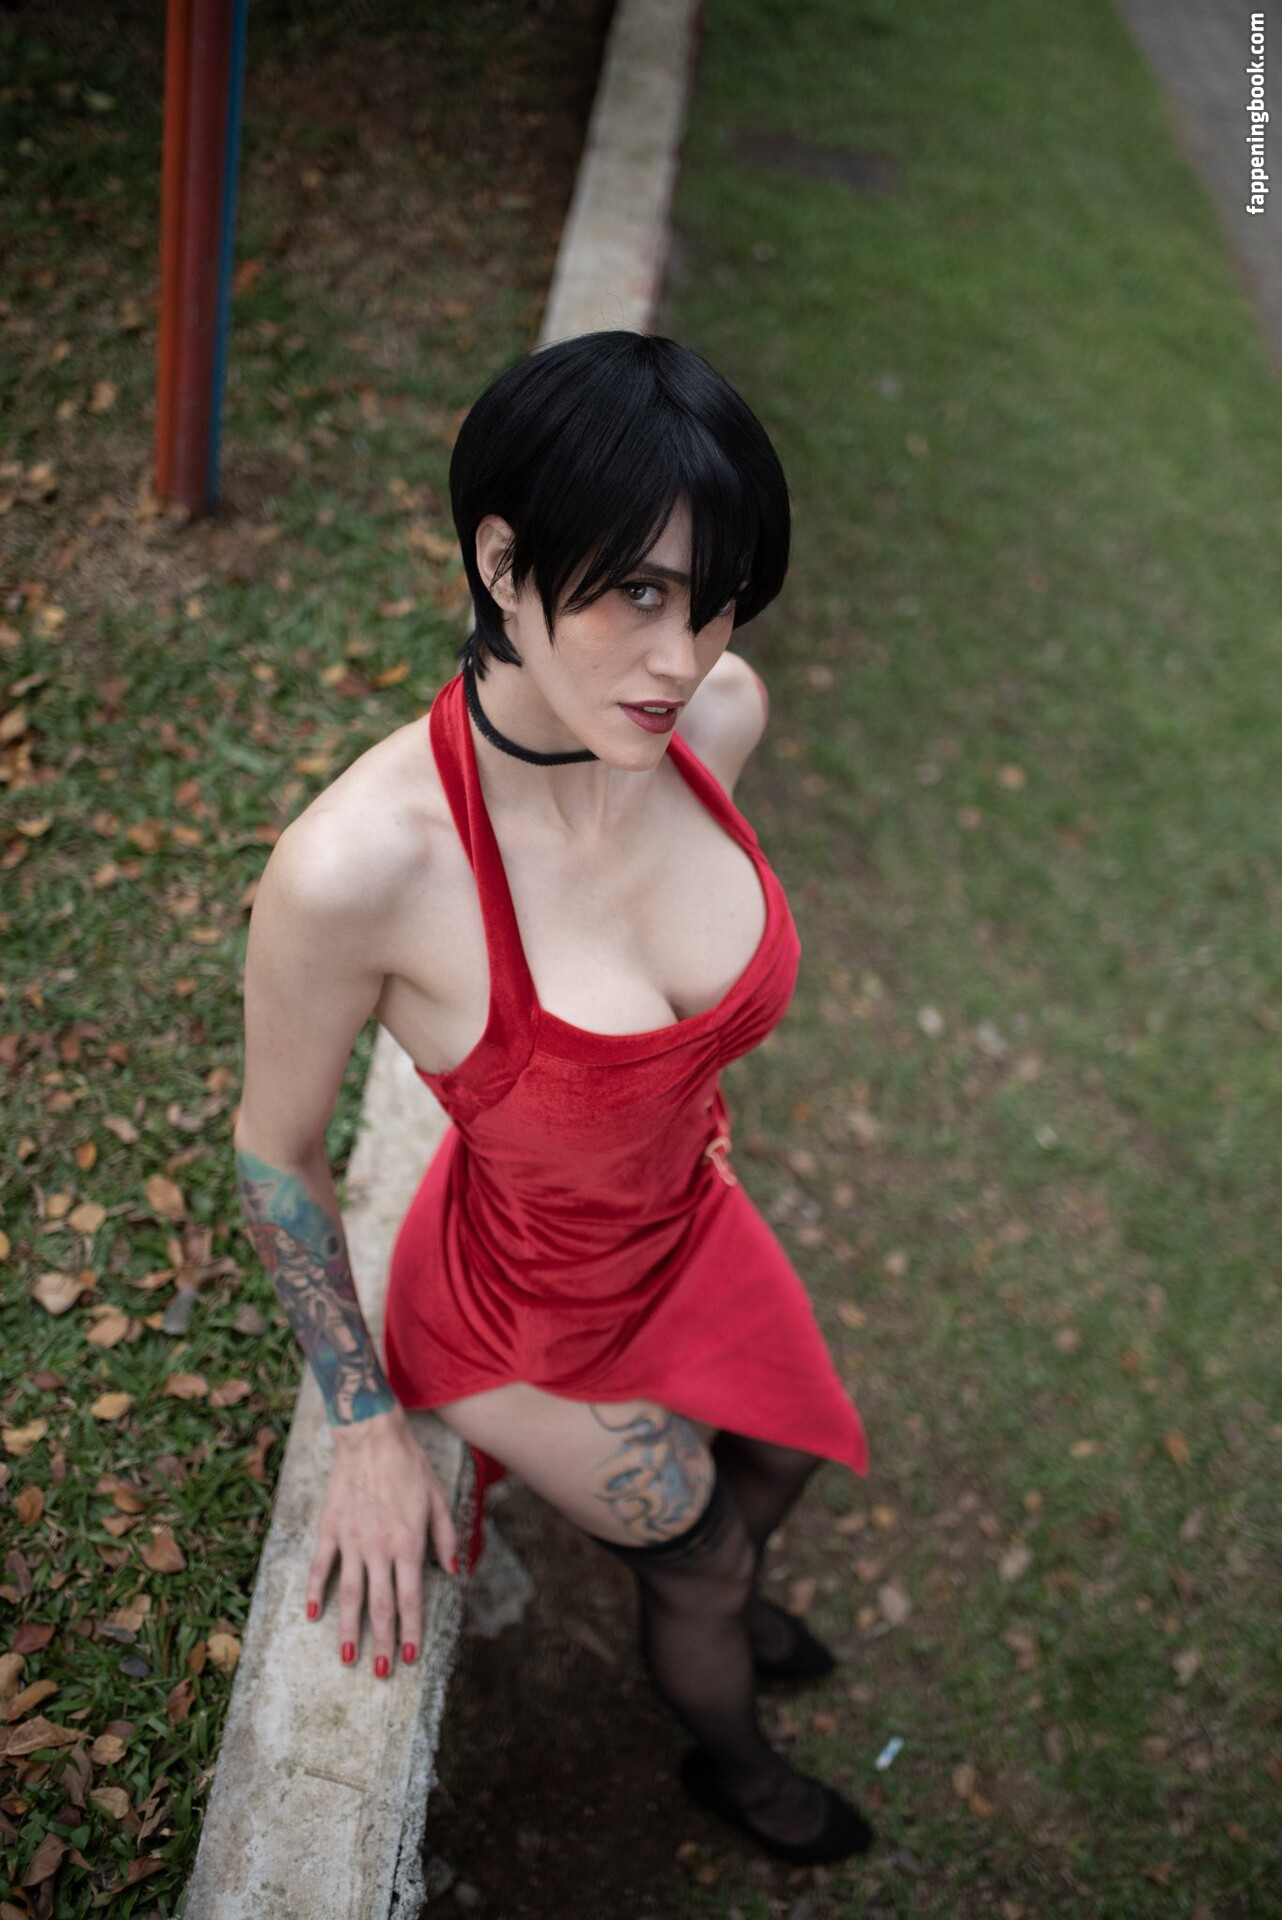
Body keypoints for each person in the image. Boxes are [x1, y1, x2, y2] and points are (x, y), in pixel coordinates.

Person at [233, 330, 873, 1867]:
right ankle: (735, 1769)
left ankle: (726, 1592)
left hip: (680, 1221)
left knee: (781, 1453)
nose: (681, 657)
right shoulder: (360, 872)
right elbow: (273, 1153)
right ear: (502, 561)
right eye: (635, 594)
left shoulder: (706, 723)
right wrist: (366, 1427)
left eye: (713, 600)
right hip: (517, 1312)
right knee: (703, 1557)